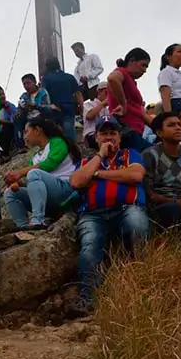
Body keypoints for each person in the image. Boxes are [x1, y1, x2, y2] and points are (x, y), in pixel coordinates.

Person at [67, 115, 148, 318]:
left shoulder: (131, 154)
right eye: (104, 133)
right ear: (96, 138)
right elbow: (77, 182)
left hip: (127, 207)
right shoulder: (87, 161)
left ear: (120, 137)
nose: (109, 137)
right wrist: (99, 157)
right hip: (93, 214)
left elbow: (135, 176)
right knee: (89, 245)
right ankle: (87, 298)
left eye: (113, 133)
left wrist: (98, 175)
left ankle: (140, 284)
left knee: (136, 224)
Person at [3, 116, 81, 230]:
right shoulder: (35, 157)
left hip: (66, 191)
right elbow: (36, 186)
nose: (25, 137)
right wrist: (19, 184)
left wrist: (21, 172)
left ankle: (37, 220)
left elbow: (50, 164)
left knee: (34, 173)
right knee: (11, 193)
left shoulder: (58, 142)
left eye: (26, 132)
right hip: (48, 200)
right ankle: (23, 227)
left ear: (38, 130)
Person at [106, 48, 154, 152]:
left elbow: (142, 113)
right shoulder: (122, 72)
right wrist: (123, 104)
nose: (145, 70)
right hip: (127, 131)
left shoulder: (132, 82)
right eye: (143, 65)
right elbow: (112, 79)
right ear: (132, 61)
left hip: (137, 132)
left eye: (146, 67)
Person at [41, 57, 83, 141]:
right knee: (69, 131)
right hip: (68, 107)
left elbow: (44, 95)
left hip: (54, 108)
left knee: (54, 134)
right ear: (58, 65)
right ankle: (73, 151)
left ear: (47, 66)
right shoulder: (69, 77)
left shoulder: (46, 78)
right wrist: (81, 107)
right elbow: (78, 93)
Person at [14, 73, 52, 148]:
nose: (26, 86)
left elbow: (47, 107)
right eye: (24, 84)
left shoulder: (42, 92)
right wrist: (19, 112)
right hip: (28, 118)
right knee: (16, 118)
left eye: (28, 83)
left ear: (34, 82)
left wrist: (34, 106)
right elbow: (20, 108)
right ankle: (20, 146)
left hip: (40, 116)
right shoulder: (24, 96)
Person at [82, 82, 109, 150]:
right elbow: (89, 116)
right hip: (92, 135)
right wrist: (103, 104)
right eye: (106, 92)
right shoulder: (89, 104)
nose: (108, 95)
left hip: (105, 135)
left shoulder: (107, 110)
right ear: (99, 92)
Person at [0, 85, 17, 157]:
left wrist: (1, 121)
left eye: (3, 94)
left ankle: (5, 154)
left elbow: (14, 120)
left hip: (8, 133)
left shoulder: (9, 106)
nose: (2, 96)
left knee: (7, 127)